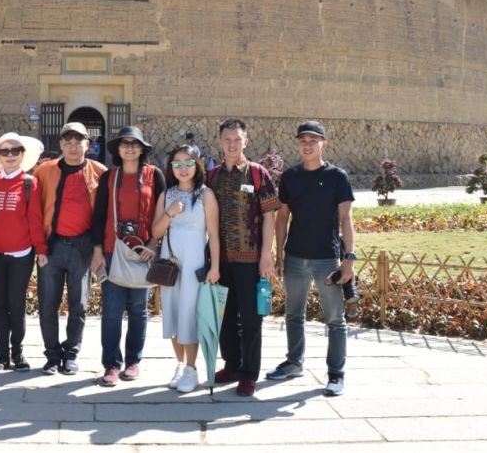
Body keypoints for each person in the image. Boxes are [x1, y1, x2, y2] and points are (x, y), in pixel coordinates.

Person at [267, 120, 356, 397]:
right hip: (295, 257)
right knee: (293, 314)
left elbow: (346, 219)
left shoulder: (337, 177)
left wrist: (349, 260)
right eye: (303, 141)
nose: (307, 145)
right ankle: (294, 362)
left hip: (327, 259)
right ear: (298, 144)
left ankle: (335, 374)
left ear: (323, 145)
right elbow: (282, 218)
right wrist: (279, 254)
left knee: (335, 319)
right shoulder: (290, 177)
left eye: (313, 141)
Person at [207, 118, 280, 396]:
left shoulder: (258, 174)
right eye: (227, 139)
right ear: (220, 142)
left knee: (251, 318)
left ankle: (249, 373)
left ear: (245, 142)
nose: (232, 144)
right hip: (221, 260)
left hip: (251, 261)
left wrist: (266, 255)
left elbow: (269, 216)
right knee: (225, 317)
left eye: (237, 139)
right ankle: (232, 364)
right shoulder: (212, 177)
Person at [90, 126, 166, 387]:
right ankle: (111, 364)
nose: (130, 148)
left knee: (138, 309)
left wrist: (155, 245)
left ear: (143, 149)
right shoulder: (109, 177)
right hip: (113, 250)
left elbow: (163, 211)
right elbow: (98, 215)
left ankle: (133, 361)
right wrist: (98, 251)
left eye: (135, 144)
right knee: (111, 310)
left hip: (144, 251)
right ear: (118, 149)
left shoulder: (154, 175)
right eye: (125, 144)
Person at [35, 121, 108, 375]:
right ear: (60, 144)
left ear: (88, 145)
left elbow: (106, 213)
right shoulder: (44, 171)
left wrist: (99, 248)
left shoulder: (99, 171)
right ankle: (52, 355)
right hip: (52, 245)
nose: (73, 147)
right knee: (47, 303)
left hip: (83, 246)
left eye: (79, 142)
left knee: (79, 304)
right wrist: (39, 246)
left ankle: (71, 353)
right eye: (68, 141)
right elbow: (33, 209)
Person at [151, 145, 220, 393]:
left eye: (188, 163)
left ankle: (192, 369)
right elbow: (156, 232)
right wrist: (169, 213)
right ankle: (180, 364)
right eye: (177, 163)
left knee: (190, 315)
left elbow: (213, 234)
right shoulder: (166, 195)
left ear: (197, 165)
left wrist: (216, 268)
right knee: (171, 312)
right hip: (170, 262)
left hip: (195, 263)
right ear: (171, 168)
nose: (183, 168)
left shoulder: (205, 195)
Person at [0, 132, 45, 373]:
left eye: (15, 150)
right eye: (4, 151)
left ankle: (18, 353)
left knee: (16, 305)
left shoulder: (29, 182)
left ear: (22, 155)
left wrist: (41, 249)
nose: (10, 156)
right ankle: (1, 355)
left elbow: (35, 219)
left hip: (21, 254)